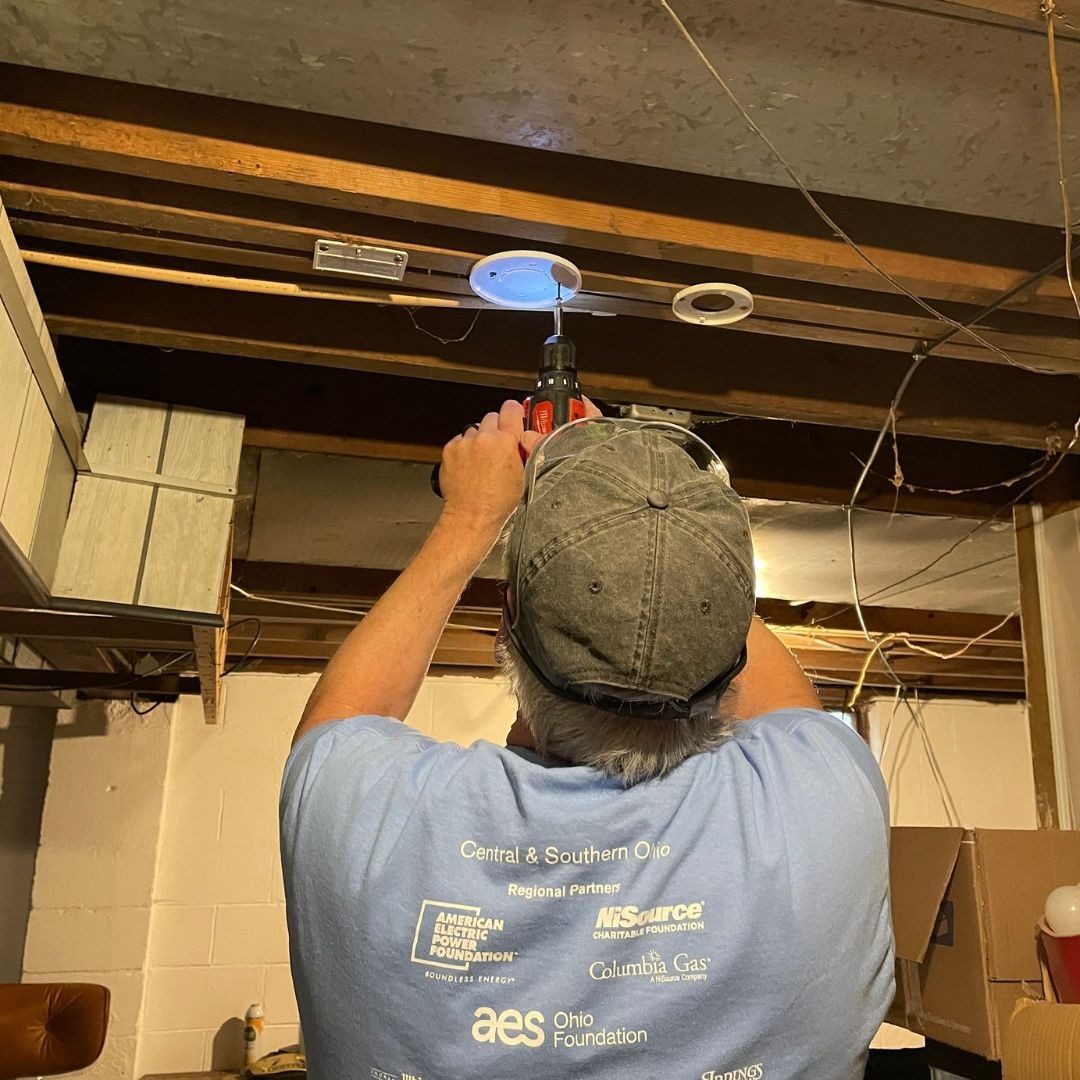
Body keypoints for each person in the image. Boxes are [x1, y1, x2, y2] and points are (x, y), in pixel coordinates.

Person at [280, 398, 894, 1080]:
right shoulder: (824, 804)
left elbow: (343, 713)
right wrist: (672, 532)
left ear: (507, 622)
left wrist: (471, 516)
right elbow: (775, 690)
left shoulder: (368, 821)